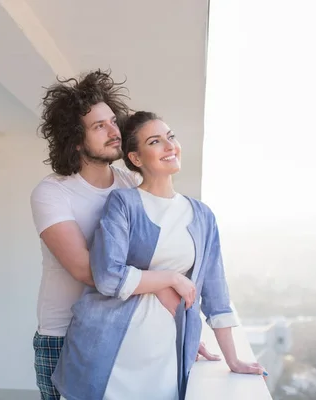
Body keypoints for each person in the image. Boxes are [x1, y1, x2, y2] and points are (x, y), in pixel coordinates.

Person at [52, 111, 267, 400]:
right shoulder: (124, 203)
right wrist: (171, 279)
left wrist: (233, 359)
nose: (169, 146)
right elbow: (107, 276)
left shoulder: (202, 215)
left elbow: (216, 294)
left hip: (166, 354)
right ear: (136, 159)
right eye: (155, 141)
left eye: (171, 137)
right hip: (110, 354)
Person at [30, 72, 218, 400]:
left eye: (112, 121)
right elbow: (89, 271)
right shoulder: (52, 193)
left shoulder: (130, 184)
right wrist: (169, 279)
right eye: (99, 126)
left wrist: (182, 328)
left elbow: (154, 257)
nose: (114, 130)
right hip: (63, 333)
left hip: (125, 329)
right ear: (75, 139)